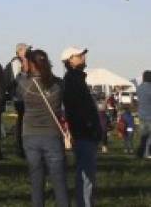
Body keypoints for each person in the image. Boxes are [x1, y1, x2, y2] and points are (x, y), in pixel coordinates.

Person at [18, 49, 69, 207]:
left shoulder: (25, 85)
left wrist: (23, 60)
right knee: (59, 182)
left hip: (30, 135)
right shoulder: (58, 84)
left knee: (36, 181)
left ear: (31, 65)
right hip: (52, 135)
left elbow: (18, 80)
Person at [62, 47, 101, 207]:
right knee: (86, 175)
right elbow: (78, 108)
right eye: (79, 55)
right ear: (70, 60)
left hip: (84, 131)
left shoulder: (76, 78)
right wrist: (90, 126)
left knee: (87, 174)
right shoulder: (73, 79)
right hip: (84, 132)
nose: (83, 57)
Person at [5, 43, 29, 158]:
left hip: (21, 96)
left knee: (22, 122)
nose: (28, 51)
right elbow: (17, 79)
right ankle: (20, 149)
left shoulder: (21, 61)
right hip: (19, 97)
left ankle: (22, 148)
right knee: (21, 123)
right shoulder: (16, 62)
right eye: (26, 49)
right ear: (19, 51)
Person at [137, 71, 151, 158]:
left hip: (142, 114)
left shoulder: (139, 87)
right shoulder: (149, 88)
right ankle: (147, 153)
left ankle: (141, 153)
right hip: (150, 115)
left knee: (144, 136)